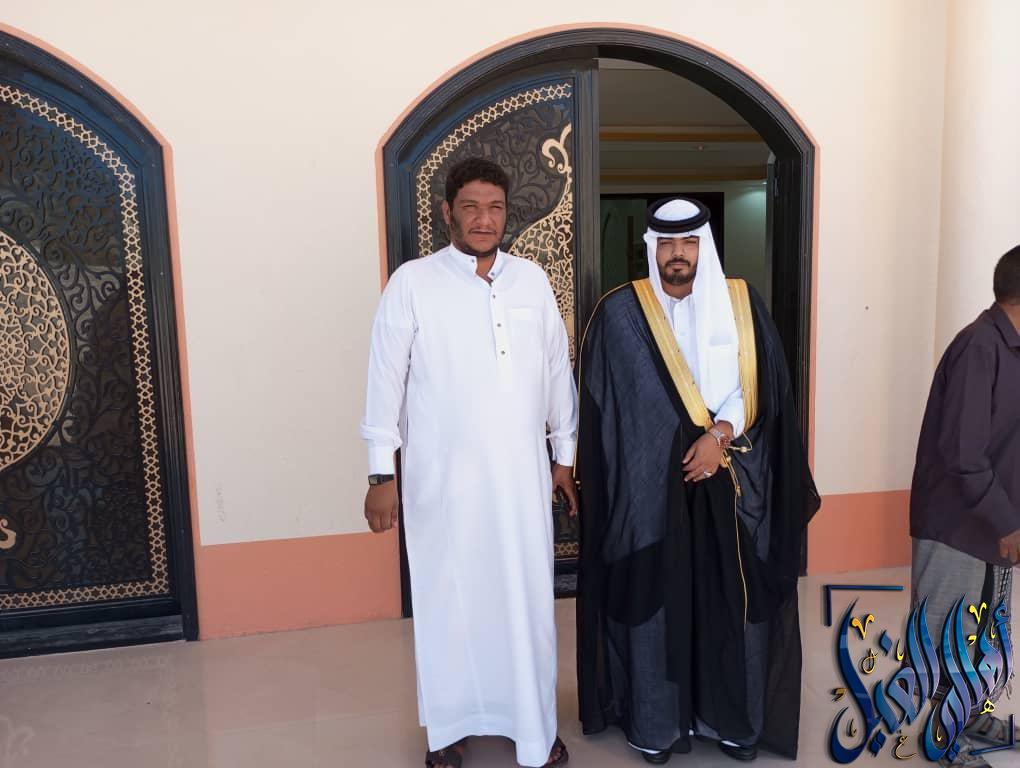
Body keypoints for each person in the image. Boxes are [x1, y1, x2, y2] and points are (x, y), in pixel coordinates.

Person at [575, 196, 818, 763]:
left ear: (703, 245)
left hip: (728, 481)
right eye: (666, 243)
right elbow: (603, 405)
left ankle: (731, 722)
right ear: (651, 247)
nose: (677, 254)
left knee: (728, 599)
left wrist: (719, 436)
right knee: (656, 600)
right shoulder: (620, 313)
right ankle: (655, 725)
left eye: (688, 242)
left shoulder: (740, 304)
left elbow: (763, 386)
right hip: (648, 493)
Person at [360, 157, 578, 768]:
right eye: (472, 207)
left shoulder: (531, 281)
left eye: (495, 208)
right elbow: (384, 382)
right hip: (441, 485)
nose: (485, 219)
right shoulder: (412, 283)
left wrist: (564, 456)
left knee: (525, 605)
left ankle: (534, 728)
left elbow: (556, 371)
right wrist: (381, 473)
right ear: (447, 212)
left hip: (520, 484)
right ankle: (448, 731)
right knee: (448, 604)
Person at [909, 245, 1020, 768]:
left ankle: (971, 714)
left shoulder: (1011, 348)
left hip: (994, 522)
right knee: (947, 631)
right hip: (957, 524)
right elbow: (963, 455)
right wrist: (1008, 522)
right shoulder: (980, 347)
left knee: (986, 630)